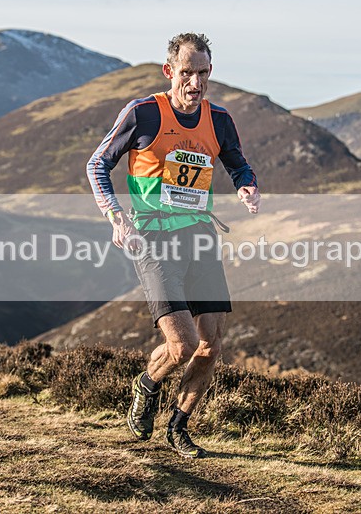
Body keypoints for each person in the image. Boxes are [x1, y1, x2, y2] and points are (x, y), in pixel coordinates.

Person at [86, 32, 261, 458]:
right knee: (181, 346)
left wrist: (247, 185)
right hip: (153, 239)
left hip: (199, 236)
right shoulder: (144, 113)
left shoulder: (219, 119)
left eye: (203, 73)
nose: (195, 82)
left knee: (211, 343)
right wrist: (116, 216)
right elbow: (97, 164)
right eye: (186, 73)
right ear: (169, 71)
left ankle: (179, 426)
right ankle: (147, 384)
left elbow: (237, 162)